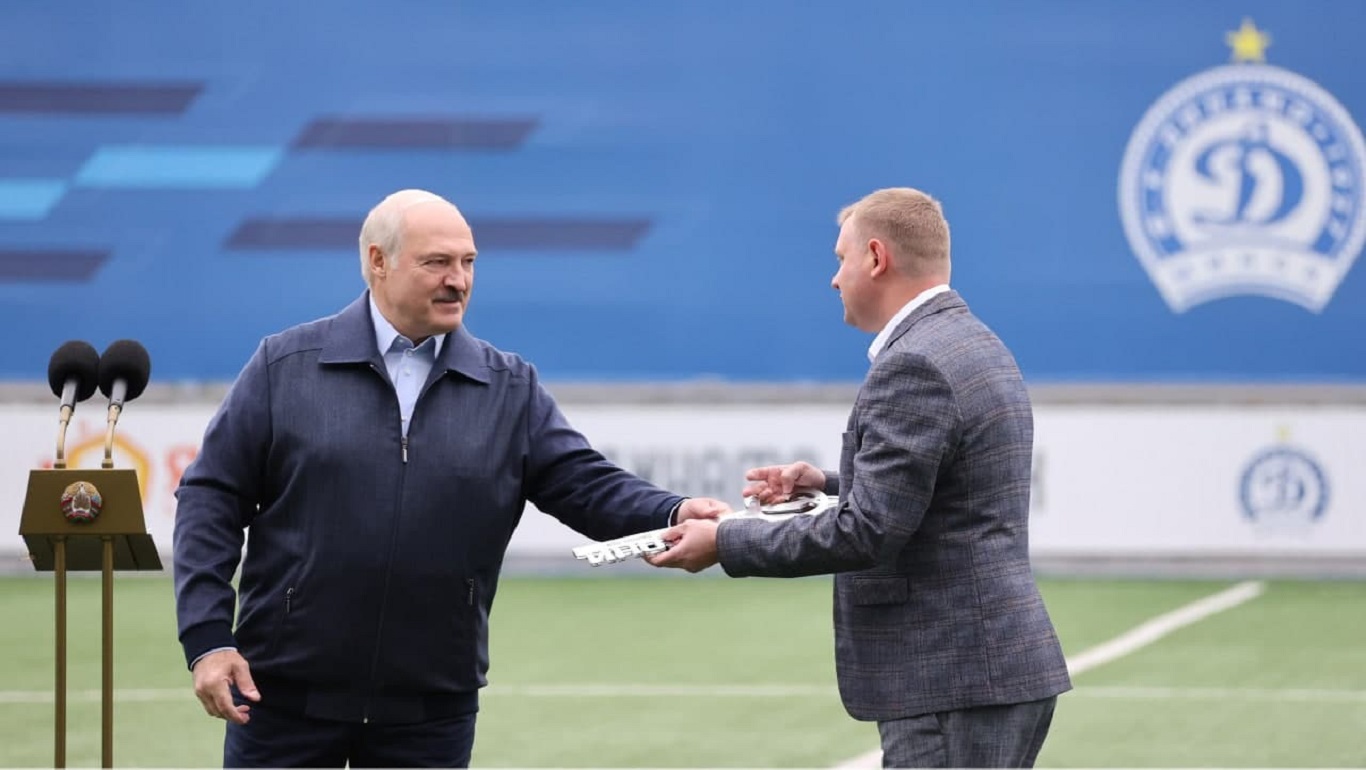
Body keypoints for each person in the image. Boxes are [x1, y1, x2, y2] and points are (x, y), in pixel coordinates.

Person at [172, 188, 729, 768]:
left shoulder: (508, 386)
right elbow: (210, 497)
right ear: (377, 261)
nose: (458, 281)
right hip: (282, 698)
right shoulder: (285, 367)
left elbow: (585, 484)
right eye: (436, 262)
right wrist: (208, 639)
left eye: (468, 262)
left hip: (431, 710)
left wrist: (672, 512)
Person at [648, 187, 1071, 768]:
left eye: (840, 258)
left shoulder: (915, 362)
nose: (833, 279)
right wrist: (827, 485)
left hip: (951, 678)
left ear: (876, 257)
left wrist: (725, 541)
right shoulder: (972, 340)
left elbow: (867, 532)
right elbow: (945, 491)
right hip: (981, 671)